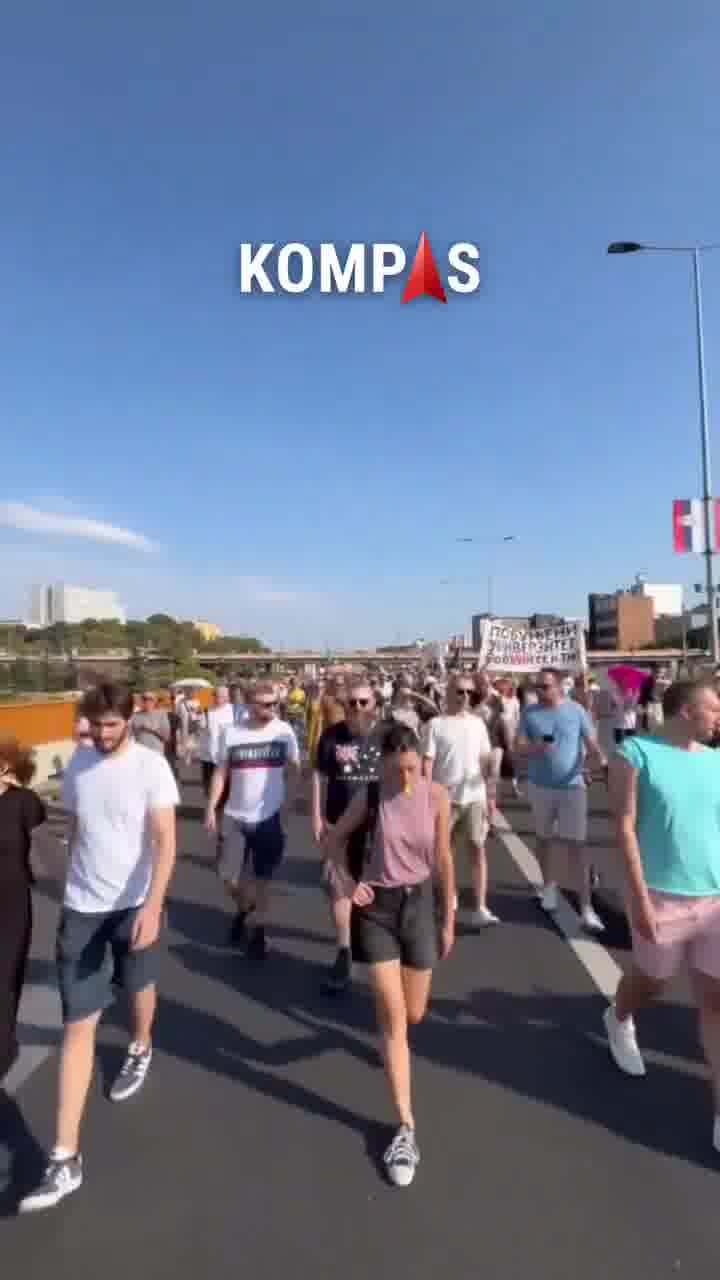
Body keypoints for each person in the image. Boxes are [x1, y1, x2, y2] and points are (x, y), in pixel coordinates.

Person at [20, 683, 179, 1213]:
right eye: (97, 724)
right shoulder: (78, 767)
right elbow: (79, 825)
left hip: (134, 905)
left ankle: (139, 1045)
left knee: (139, 986)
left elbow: (164, 840)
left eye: (113, 724)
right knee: (77, 1025)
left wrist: (154, 906)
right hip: (83, 909)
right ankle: (65, 1158)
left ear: (129, 720)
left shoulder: (152, 767)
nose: (105, 733)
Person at [327, 724, 455, 1188]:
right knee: (394, 1018)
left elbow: (442, 858)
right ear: (381, 763)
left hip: (419, 904)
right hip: (376, 908)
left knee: (415, 1013)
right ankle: (405, 1127)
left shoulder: (436, 795)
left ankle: (390, 1035)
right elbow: (332, 840)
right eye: (397, 767)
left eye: (412, 766)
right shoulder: (371, 797)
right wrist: (347, 883)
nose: (406, 776)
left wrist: (449, 914)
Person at [605, 679, 720, 1153]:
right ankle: (619, 1017)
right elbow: (624, 827)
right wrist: (639, 898)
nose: (719, 717)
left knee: (716, 1002)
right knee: (652, 982)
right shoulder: (635, 753)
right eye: (713, 708)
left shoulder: (716, 761)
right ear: (685, 711)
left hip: (715, 898)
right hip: (661, 896)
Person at [206, 681, 301, 960]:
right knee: (229, 880)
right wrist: (211, 806)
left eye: (275, 704)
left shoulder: (284, 732)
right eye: (266, 704)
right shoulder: (231, 733)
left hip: (269, 817)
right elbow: (221, 772)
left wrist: (287, 807)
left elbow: (295, 771)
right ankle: (246, 909)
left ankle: (258, 932)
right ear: (248, 704)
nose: (272, 709)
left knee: (262, 881)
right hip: (235, 815)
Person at [516, 668, 608, 933]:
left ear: (558, 687)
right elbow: (518, 746)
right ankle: (548, 890)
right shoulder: (529, 713)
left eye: (545, 687)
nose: (540, 692)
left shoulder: (576, 710)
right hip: (540, 786)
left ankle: (587, 908)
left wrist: (599, 760)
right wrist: (536, 748)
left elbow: (591, 743)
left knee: (577, 846)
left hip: (572, 787)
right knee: (544, 840)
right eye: (537, 688)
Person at [313, 679, 382, 993]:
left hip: (378, 825)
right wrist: (316, 815)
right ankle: (344, 950)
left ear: (374, 704)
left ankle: (379, 948)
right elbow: (319, 776)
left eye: (363, 702)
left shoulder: (387, 736)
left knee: (376, 888)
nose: (357, 708)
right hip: (338, 822)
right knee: (339, 885)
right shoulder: (331, 736)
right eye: (352, 702)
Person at [423, 673, 498, 925]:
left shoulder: (478, 724)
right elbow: (427, 763)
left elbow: (485, 760)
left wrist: (491, 794)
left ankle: (480, 906)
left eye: (469, 692)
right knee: (445, 852)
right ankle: (449, 896)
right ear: (448, 693)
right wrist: (427, 797)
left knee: (477, 848)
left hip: (474, 796)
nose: (466, 697)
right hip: (445, 798)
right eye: (460, 691)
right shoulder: (435, 725)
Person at [0, 738, 46, 1082]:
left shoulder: (24, 803)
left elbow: (47, 844)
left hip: (11, 898)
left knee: (6, 972)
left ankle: (4, 1046)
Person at [131, 690, 171, 756]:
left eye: (150, 699)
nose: (147, 701)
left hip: (156, 754)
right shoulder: (135, 716)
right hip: (140, 754)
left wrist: (152, 729)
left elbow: (166, 737)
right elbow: (129, 737)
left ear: (155, 701)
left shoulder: (161, 714)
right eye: (144, 699)